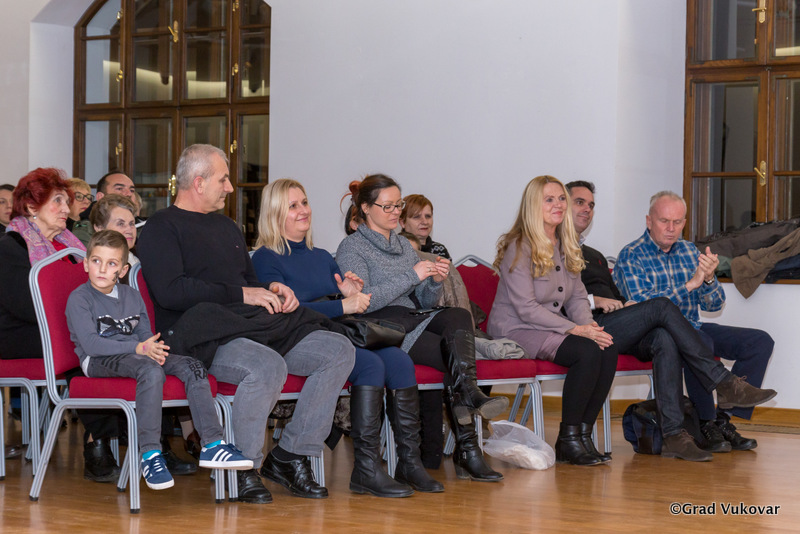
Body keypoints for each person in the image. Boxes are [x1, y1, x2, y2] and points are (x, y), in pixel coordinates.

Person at [137, 144, 355, 503]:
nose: (229, 187)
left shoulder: (227, 226)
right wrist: (242, 294)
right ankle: (244, 468)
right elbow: (171, 292)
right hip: (200, 335)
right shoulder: (161, 227)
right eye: (223, 179)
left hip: (248, 325)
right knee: (266, 366)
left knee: (338, 349)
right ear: (198, 182)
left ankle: (290, 456)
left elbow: (249, 283)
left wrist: (271, 289)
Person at [251, 178, 443, 497]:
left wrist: (346, 293)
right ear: (274, 213)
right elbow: (286, 310)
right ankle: (359, 467)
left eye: (304, 202)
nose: (303, 210)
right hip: (292, 339)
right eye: (293, 205)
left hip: (333, 334)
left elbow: (337, 306)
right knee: (370, 365)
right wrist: (343, 304)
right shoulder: (265, 257)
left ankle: (406, 463)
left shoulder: (322, 256)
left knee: (398, 360)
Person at [565, 180, 777, 461]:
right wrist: (690, 285)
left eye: (677, 222)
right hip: (659, 332)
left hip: (694, 325)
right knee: (696, 339)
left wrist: (709, 279)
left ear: (684, 223)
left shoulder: (690, 251)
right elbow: (646, 310)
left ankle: (722, 420)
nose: (671, 228)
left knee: (759, 341)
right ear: (649, 221)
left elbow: (714, 305)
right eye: (664, 221)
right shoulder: (632, 255)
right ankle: (707, 422)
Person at [336, 174, 507, 482]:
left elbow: (422, 299)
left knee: (458, 315)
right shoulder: (351, 247)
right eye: (387, 206)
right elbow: (363, 302)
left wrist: (435, 282)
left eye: (398, 205)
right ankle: (468, 448)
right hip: (382, 326)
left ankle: (468, 400)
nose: (395, 212)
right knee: (454, 359)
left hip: (411, 317)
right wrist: (412, 276)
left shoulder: (402, 244)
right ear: (366, 208)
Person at [66, 230, 253, 490]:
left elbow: (146, 334)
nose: (102, 269)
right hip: (98, 360)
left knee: (193, 365)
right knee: (150, 370)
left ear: (123, 269)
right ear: (86, 264)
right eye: (96, 261)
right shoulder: (80, 298)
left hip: (137, 354)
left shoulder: (132, 296)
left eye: (111, 263)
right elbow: (91, 345)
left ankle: (212, 444)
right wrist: (140, 349)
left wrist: (153, 349)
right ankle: (151, 454)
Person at [487, 175, 618, 466]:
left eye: (561, 199)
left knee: (606, 347)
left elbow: (577, 297)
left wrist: (590, 328)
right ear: (534, 206)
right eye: (549, 199)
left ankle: (583, 434)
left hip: (548, 326)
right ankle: (568, 439)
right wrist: (576, 329)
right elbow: (526, 309)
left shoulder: (565, 243)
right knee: (585, 352)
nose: (558, 204)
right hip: (515, 329)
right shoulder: (519, 246)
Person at [0, 168, 121, 481]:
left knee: (114, 338)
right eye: (57, 201)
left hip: (59, 328)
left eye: (66, 201)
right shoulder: (11, 246)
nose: (67, 208)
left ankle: (137, 437)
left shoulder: (68, 246)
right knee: (84, 344)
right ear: (31, 206)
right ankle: (98, 440)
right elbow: (28, 307)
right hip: (17, 334)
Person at [90, 195, 139, 266]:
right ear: (100, 228)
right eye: (120, 224)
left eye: (131, 224)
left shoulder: (141, 259)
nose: (129, 230)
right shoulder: (94, 267)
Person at [399, 194, 451, 259]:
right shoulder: (394, 249)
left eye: (428, 216)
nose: (425, 222)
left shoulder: (440, 250)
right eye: (417, 217)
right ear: (402, 222)